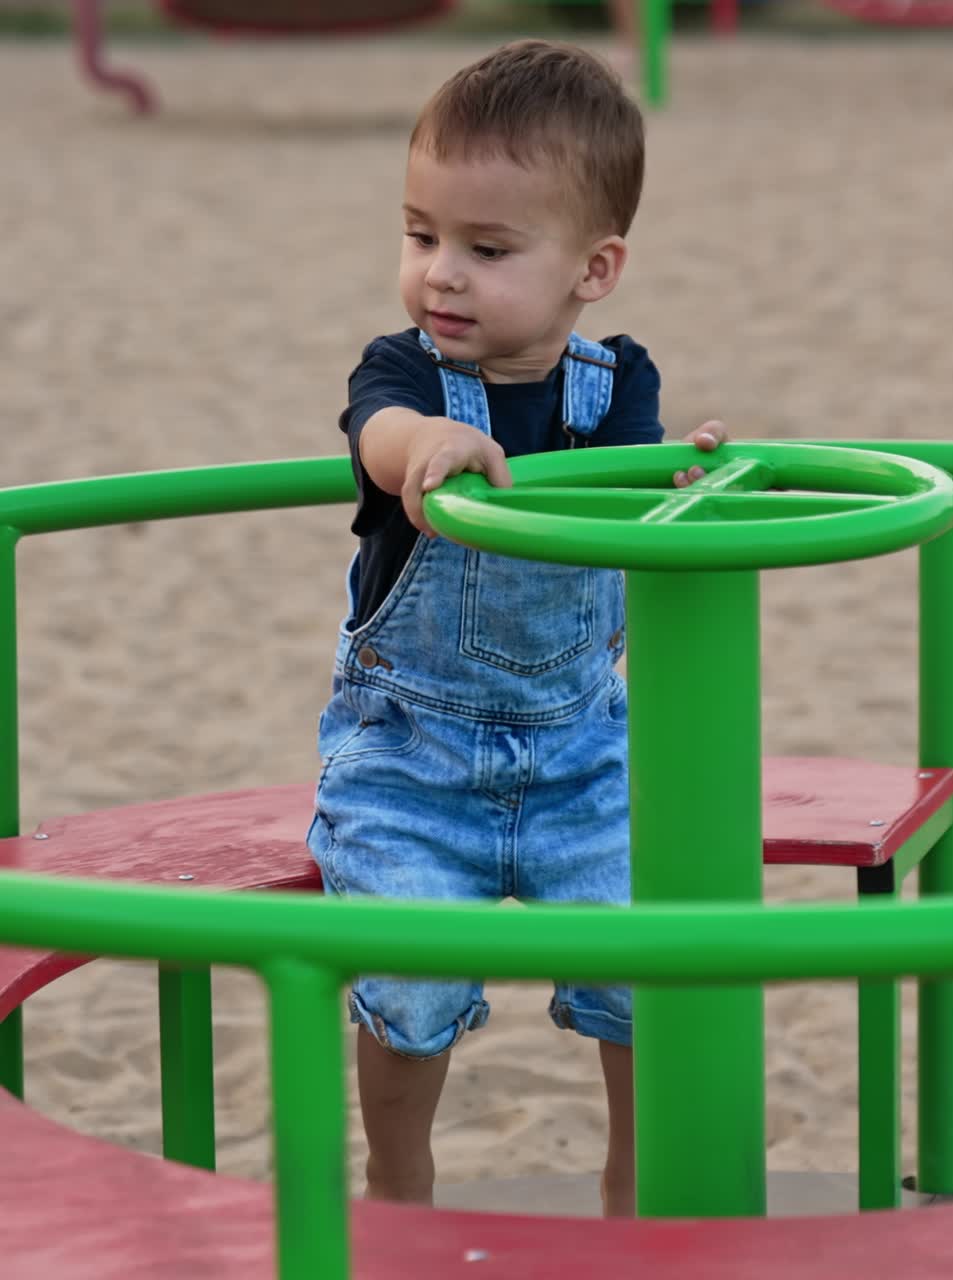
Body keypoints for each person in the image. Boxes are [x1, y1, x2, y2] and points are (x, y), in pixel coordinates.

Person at [306, 39, 727, 1218]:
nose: (440, 273)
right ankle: (399, 1179)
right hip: (409, 758)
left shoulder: (615, 384)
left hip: (582, 756)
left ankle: (637, 1189)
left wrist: (675, 478)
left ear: (593, 268)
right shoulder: (404, 371)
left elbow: (626, 508)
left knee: (653, 971)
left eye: (486, 250)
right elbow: (374, 432)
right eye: (419, 233)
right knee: (410, 980)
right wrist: (422, 455)